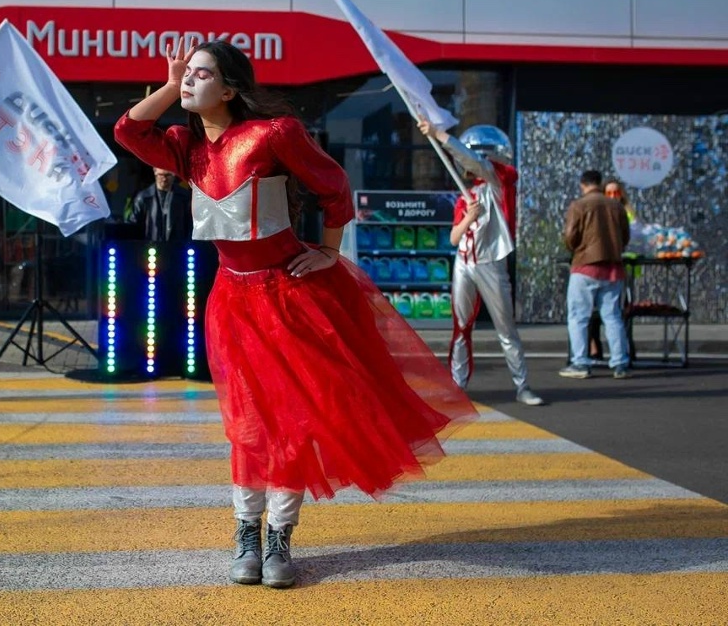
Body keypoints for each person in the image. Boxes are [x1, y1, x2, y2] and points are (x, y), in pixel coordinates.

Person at [115, 38, 477, 589]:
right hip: (230, 301)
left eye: (201, 74)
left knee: (291, 425)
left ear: (230, 89)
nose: (189, 79)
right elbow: (128, 131)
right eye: (186, 73)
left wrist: (329, 250)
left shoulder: (273, 133)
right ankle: (246, 535)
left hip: (289, 295)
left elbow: (335, 188)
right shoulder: (185, 147)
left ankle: (279, 539)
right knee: (247, 426)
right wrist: (168, 86)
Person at [417, 121, 545, 407]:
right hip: (464, 263)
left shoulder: (500, 183)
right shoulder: (466, 198)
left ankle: (522, 385)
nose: (472, 165)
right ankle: (457, 384)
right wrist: (468, 218)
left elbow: (476, 162)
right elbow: (454, 238)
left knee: (506, 328)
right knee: (461, 326)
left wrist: (439, 135)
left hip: (491, 263)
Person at [559, 169, 632, 379]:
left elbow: (570, 236)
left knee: (578, 317)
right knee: (613, 316)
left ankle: (580, 363)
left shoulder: (579, 205)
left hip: (585, 266)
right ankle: (619, 363)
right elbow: (625, 236)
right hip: (613, 268)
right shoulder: (616, 206)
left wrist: (574, 248)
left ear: (583, 184)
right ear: (600, 184)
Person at [588, 179, 636, 360]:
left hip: (622, 266)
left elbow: (632, 235)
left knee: (619, 311)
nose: (613, 196)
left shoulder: (627, 212)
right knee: (594, 309)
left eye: (616, 193)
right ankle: (595, 345)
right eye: (609, 193)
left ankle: (624, 349)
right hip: (599, 264)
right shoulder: (598, 210)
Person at [125, 166, 193, 242]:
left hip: (176, 246)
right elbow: (133, 225)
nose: (164, 179)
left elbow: (190, 224)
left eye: (168, 175)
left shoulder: (185, 197)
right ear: (155, 172)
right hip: (149, 245)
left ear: (174, 174)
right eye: (161, 175)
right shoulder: (143, 198)